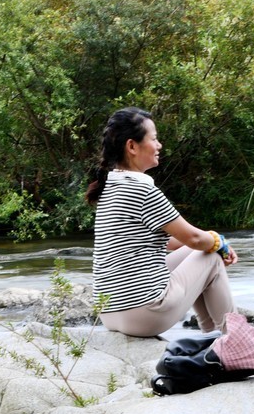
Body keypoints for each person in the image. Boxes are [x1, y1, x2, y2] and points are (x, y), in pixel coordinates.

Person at [87, 107, 238, 337]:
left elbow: (175, 243)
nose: (159, 146)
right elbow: (195, 238)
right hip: (144, 312)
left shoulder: (110, 186)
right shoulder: (142, 189)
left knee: (200, 251)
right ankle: (237, 341)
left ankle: (212, 339)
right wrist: (221, 244)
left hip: (110, 313)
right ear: (132, 146)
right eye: (154, 139)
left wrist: (210, 240)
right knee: (211, 256)